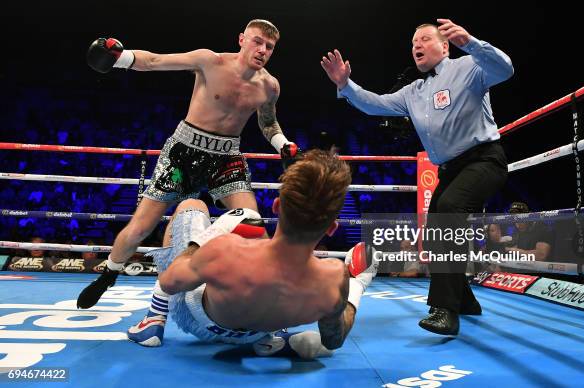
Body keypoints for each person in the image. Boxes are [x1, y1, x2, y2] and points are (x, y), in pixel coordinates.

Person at [77, 20, 302, 309]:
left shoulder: (270, 87)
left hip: (227, 156)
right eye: (257, 41)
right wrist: (120, 58)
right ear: (242, 39)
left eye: (269, 47)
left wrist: (282, 143)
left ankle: (250, 291)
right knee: (140, 227)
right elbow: (156, 61)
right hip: (183, 153)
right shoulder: (210, 61)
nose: (262, 50)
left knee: (251, 221)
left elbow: (268, 123)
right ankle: (108, 274)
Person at [321, 18, 513, 335]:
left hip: (484, 159)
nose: (417, 46)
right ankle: (464, 300)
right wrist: (345, 85)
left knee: (450, 210)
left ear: (445, 45)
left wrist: (471, 41)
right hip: (450, 169)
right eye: (413, 44)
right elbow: (375, 104)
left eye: (424, 39)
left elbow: (505, 69)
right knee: (436, 227)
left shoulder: (469, 66)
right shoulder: (415, 90)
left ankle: (444, 310)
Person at [127, 150, 379, 359]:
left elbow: (170, 281)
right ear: (332, 228)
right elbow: (333, 340)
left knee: (192, 206)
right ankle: (275, 341)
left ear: (277, 206)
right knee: (253, 227)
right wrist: (358, 284)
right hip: (258, 333)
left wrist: (213, 233)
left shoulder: (225, 250)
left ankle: (153, 321)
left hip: (196, 320)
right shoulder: (334, 279)